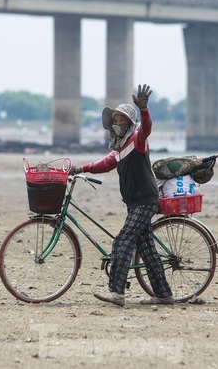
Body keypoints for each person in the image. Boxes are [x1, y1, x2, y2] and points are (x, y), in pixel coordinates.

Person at [69, 84, 174, 306]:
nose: (117, 123)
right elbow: (103, 164)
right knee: (147, 249)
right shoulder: (119, 149)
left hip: (145, 200)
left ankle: (116, 292)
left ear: (128, 123)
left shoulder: (137, 139)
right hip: (134, 202)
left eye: (120, 120)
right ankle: (164, 294)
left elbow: (146, 128)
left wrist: (144, 110)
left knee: (122, 241)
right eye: (114, 120)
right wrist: (80, 169)